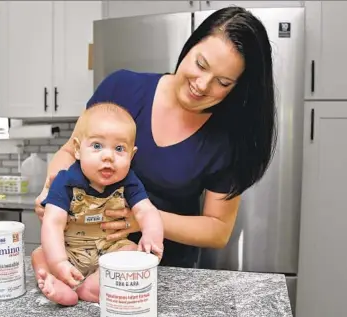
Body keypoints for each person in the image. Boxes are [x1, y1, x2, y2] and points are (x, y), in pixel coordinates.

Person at [34, 5, 276, 277]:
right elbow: (70, 151)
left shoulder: (226, 138)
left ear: (237, 87)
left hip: (168, 272)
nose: (203, 85)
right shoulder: (121, 88)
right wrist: (51, 189)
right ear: (189, 47)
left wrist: (143, 219)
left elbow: (218, 230)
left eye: (222, 81)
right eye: (200, 64)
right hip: (80, 259)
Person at [34, 102, 164, 306]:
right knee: (40, 254)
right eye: (97, 146)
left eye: (119, 149)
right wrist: (59, 262)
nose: (108, 156)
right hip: (70, 252)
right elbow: (53, 223)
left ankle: (91, 287)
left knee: (131, 251)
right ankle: (61, 283)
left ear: (132, 155)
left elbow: (146, 210)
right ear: (77, 149)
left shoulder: (129, 181)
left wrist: (152, 235)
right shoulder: (65, 181)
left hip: (110, 250)